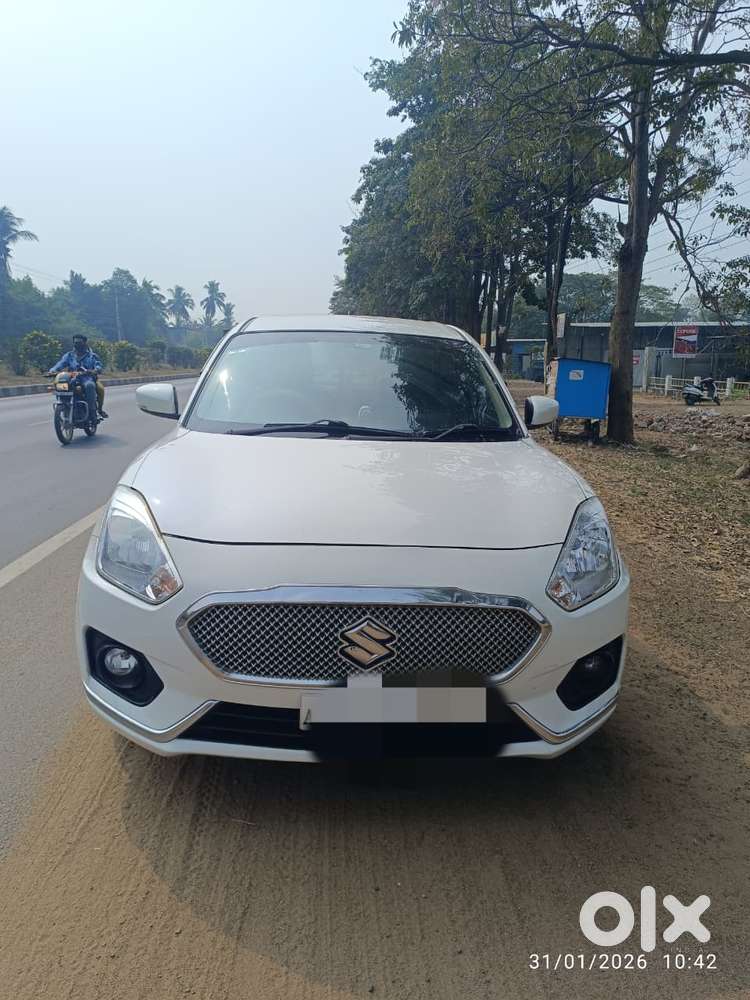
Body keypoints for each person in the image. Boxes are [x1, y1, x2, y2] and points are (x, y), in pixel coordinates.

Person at [48, 334, 108, 418]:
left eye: (79, 342)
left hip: (87, 378)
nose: (77, 344)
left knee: (90, 386)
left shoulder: (92, 356)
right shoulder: (69, 355)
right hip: (71, 379)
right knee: (60, 385)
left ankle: (92, 411)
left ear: (85, 343)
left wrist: (95, 370)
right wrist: (52, 371)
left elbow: (98, 366)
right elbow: (60, 364)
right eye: (75, 342)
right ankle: (64, 404)